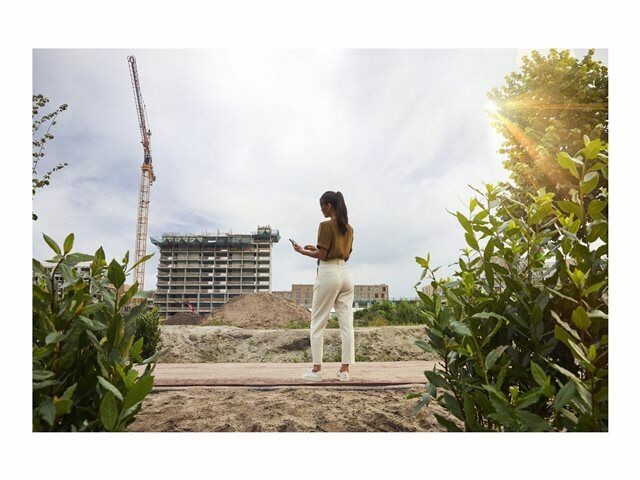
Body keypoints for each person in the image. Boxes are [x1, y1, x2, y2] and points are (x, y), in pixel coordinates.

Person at [291, 191, 355, 382]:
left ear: (328, 206)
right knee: (347, 324)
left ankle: (317, 370)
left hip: (328, 274)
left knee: (318, 322)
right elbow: (342, 253)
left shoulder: (325, 225)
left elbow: (323, 255)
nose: (321, 210)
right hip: (345, 274)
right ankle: (344, 371)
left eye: (322, 207)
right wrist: (317, 249)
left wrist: (302, 251)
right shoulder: (349, 228)